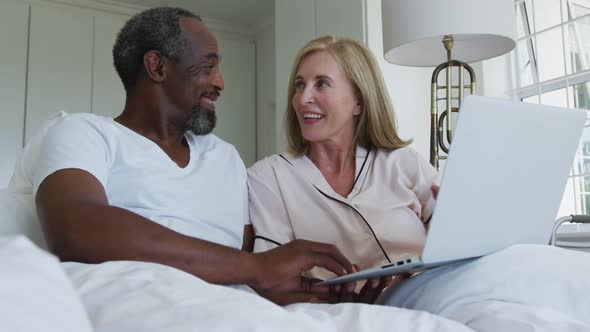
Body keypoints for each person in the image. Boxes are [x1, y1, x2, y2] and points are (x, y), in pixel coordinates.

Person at [33, 7, 355, 305]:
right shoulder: (84, 133)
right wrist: (256, 267)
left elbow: (248, 273)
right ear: (157, 66)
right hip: (135, 307)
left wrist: (323, 292)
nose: (220, 82)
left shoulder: (225, 158)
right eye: (207, 66)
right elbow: (76, 228)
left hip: (236, 313)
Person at [247, 35, 439, 303]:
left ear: (358, 101)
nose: (302, 99)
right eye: (299, 85)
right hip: (327, 316)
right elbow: (269, 280)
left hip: (425, 300)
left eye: (322, 84)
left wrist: (456, 222)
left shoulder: (404, 163)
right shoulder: (269, 176)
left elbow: (456, 246)